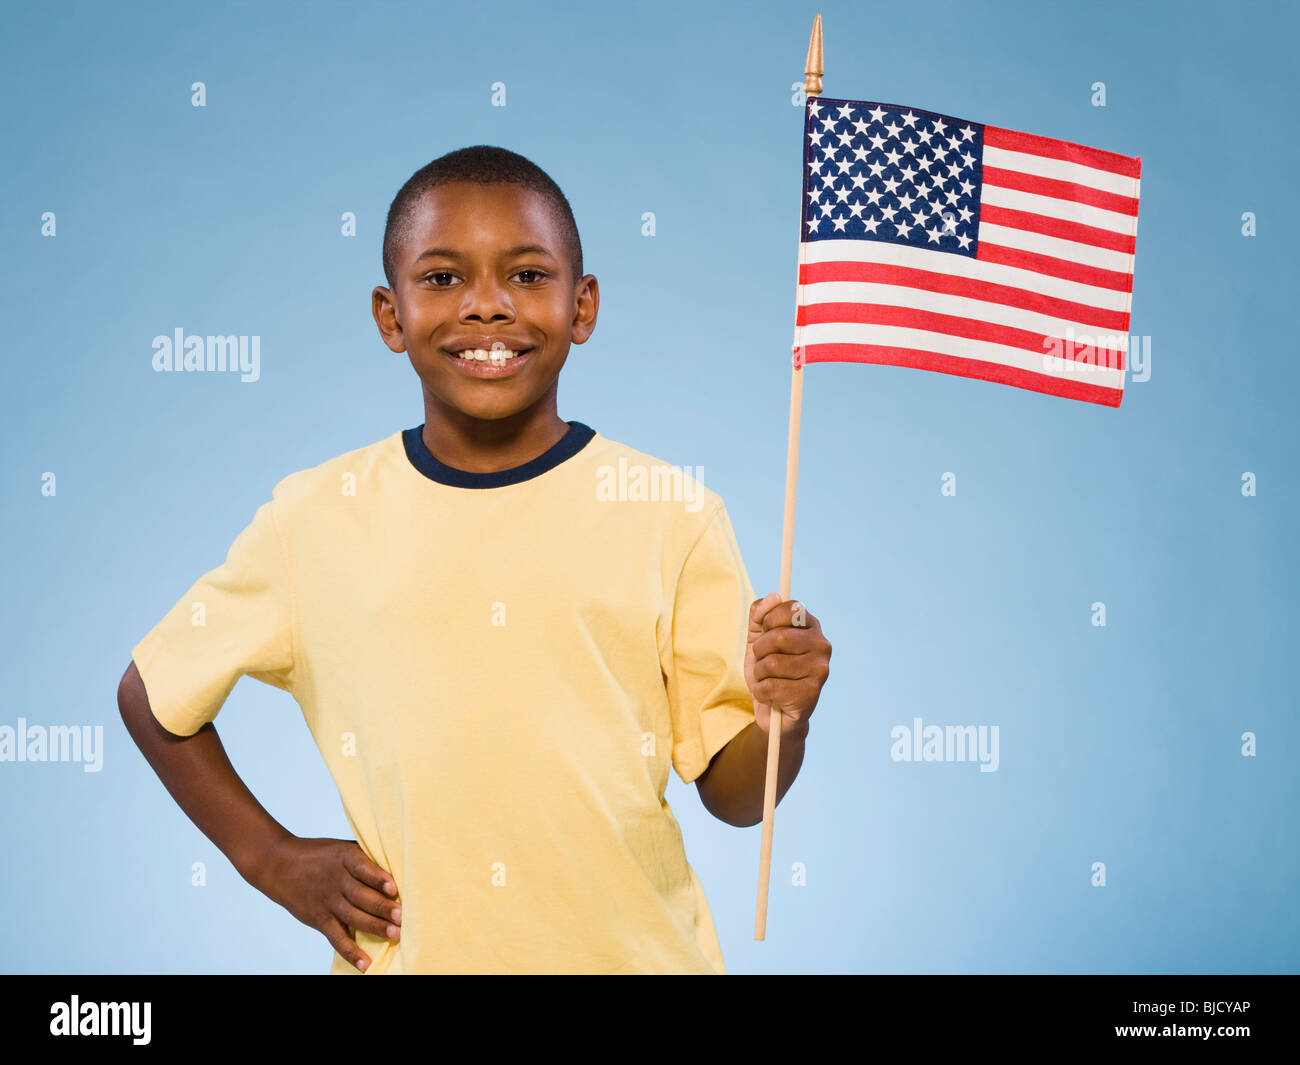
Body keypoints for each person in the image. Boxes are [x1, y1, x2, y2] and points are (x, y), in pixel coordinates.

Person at [117, 145, 832, 974]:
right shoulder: (312, 519)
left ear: (583, 304)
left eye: (528, 275)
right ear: (390, 316)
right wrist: (269, 858)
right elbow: (152, 691)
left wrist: (786, 717)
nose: (488, 307)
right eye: (443, 278)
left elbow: (737, 796)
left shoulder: (673, 513)